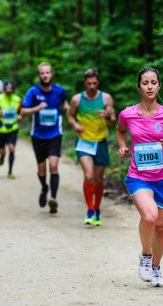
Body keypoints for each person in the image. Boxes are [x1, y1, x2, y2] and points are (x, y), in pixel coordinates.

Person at [116, 67, 163, 287]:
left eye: (153, 82)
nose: (149, 87)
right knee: (149, 216)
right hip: (138, 176)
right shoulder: (127, 113)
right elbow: (120, 129)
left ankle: (156, 267)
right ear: (139, 86)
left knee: (162, 228)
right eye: (145, 83)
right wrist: (123, 146)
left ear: (159, 85)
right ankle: (145, 257)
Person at [67, 68, 116, 226]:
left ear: (98, 82)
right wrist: (75, 125)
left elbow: (113, 120)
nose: (92, 86)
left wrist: (107, 116)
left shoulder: (106, 98)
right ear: (85, 83)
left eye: (95, 83)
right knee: (88, 176)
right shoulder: (77, 99)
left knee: (98, 180)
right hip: (84, 142)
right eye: (89, 83)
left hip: (100, 141)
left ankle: (97, 208)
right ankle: (89, 210)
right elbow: (69, 115)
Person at [21, 62, 70, 214]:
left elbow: (65, 105)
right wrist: (37, 108)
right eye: (42, 73)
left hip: (55, 134)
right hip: (38, 136)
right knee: (41, 170)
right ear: (39, 75)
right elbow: (23, 111)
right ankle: (44, 187)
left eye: (47, 73)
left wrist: (70, 110)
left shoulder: (59, 91)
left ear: (51, 74)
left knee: (54, 166)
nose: (45, 75)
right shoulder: (33, 92)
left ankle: (53, 198)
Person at [0, 81, 22, 179]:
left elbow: (20, 111)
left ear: (13, 89)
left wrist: (20, 116)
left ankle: (10, 172)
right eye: (7, 88)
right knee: (2, 151)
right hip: (0, 129)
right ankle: (2, 156)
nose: (9, 90)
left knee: (12, 149)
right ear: (4, 89)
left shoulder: (18, 99)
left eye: (11, 88)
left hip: (12, 128)